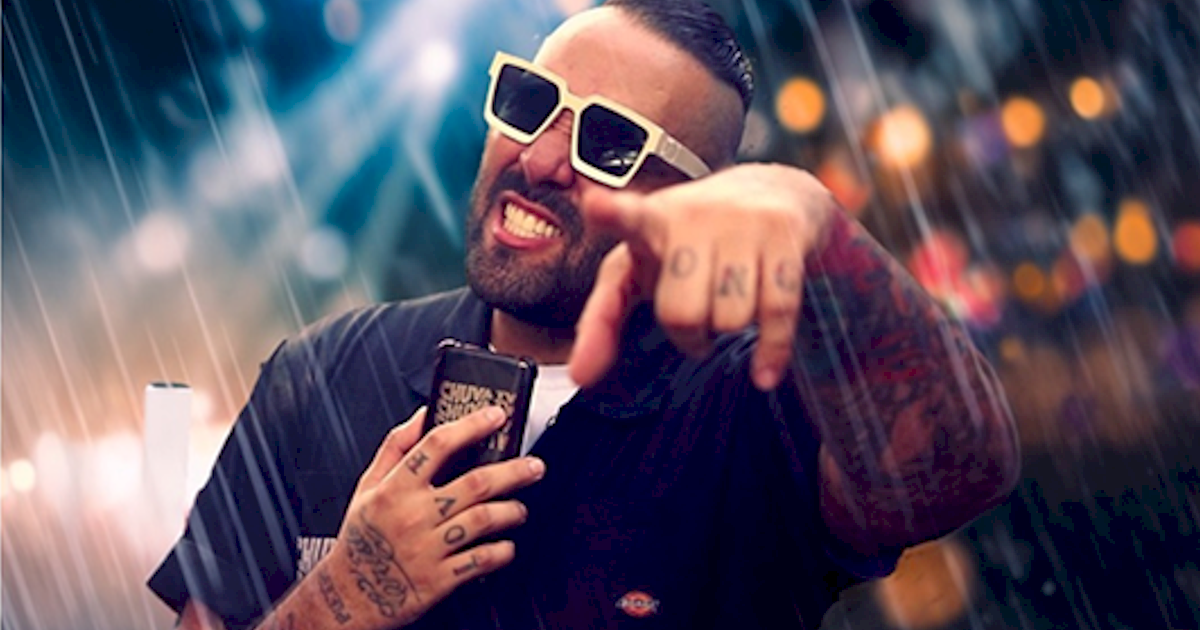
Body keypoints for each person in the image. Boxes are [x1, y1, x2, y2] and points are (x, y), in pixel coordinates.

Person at [147, 1, 1021, 628]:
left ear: (693, 201)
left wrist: (819, 231)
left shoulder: (754, 406)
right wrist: (348, 594)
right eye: (528, 102)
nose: (540, 159)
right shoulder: (321, 372)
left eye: (610, 143)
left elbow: (960, 470)